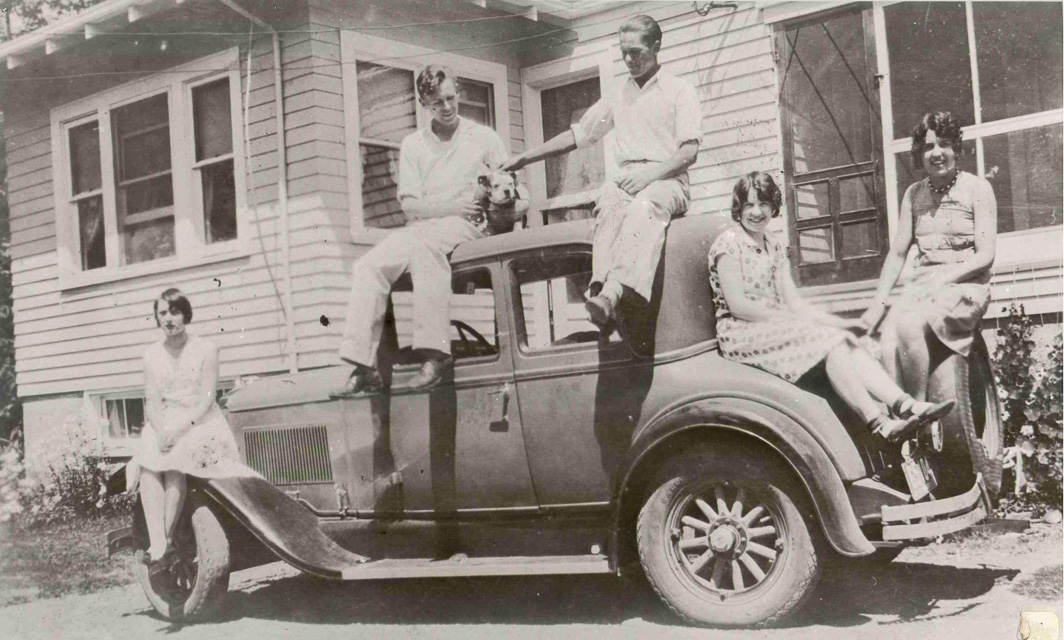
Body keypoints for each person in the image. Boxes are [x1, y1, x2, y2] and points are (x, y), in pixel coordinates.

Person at [708, 172, 954, 441]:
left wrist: (843, 324)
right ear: (739, 208)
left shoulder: (774, 245)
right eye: (749, 205)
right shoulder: (728, 243)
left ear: (773, 206)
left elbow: (795, 304)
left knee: (847, 340)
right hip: (742, 333)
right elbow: (739, 306)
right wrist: (788, 320)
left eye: (764, 204)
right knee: (831, 344)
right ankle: (878, 423)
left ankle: (906, 405)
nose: (757, 212)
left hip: (774, 327)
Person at [503, 14, 701, 331]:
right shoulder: (618, 96)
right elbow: (579, 135)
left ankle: (613, 292)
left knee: (643, 207)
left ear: (656, 46)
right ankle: (599, 292)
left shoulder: (679, 90)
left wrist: (648, 176)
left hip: (667, 181)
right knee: (608, 204)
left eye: (635, 51)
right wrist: (525, 157)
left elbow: (688, 152)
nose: (629, 59)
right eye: (624, 52)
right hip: (628, 180)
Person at [333, 65, 516, 397]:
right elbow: (410, 206)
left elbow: (512, 186)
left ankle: (435, 353)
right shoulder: (413, 144)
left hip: (467, 226)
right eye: (436, 103)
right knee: (368, 266)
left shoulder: (484, 138)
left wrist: (506, 209)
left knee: (426, 248)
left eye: (450, 98)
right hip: (423, 225)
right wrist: (452, 206)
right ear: (423, 103)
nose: (446, 107)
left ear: (458, 93)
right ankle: (365, 365)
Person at [860, 111, 997, 403]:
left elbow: (985, 255)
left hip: (964, 286)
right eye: (928, 147)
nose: (936, 153)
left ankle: (919, 408)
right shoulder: (913, 194)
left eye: (944, 144)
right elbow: (898, 253)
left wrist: (943, 279)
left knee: (909, 326)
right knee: (887, 338)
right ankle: (901, 414)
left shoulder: (977, 189)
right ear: (919, 154)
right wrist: (877, 305)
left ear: (956, 148)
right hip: (924, 287)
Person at [126, 288, 254, 572]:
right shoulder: (151, 354)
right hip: (164, 421)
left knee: (175, 464)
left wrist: (179, 430)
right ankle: (159, 544)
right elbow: (151, 401)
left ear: (185, 314)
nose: (168, 319)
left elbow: (206, 400)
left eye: (174, 312)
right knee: (148, 465)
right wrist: (160, 429)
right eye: (162, 313)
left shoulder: (206, 349)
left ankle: (166, 541)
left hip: (200, 420)